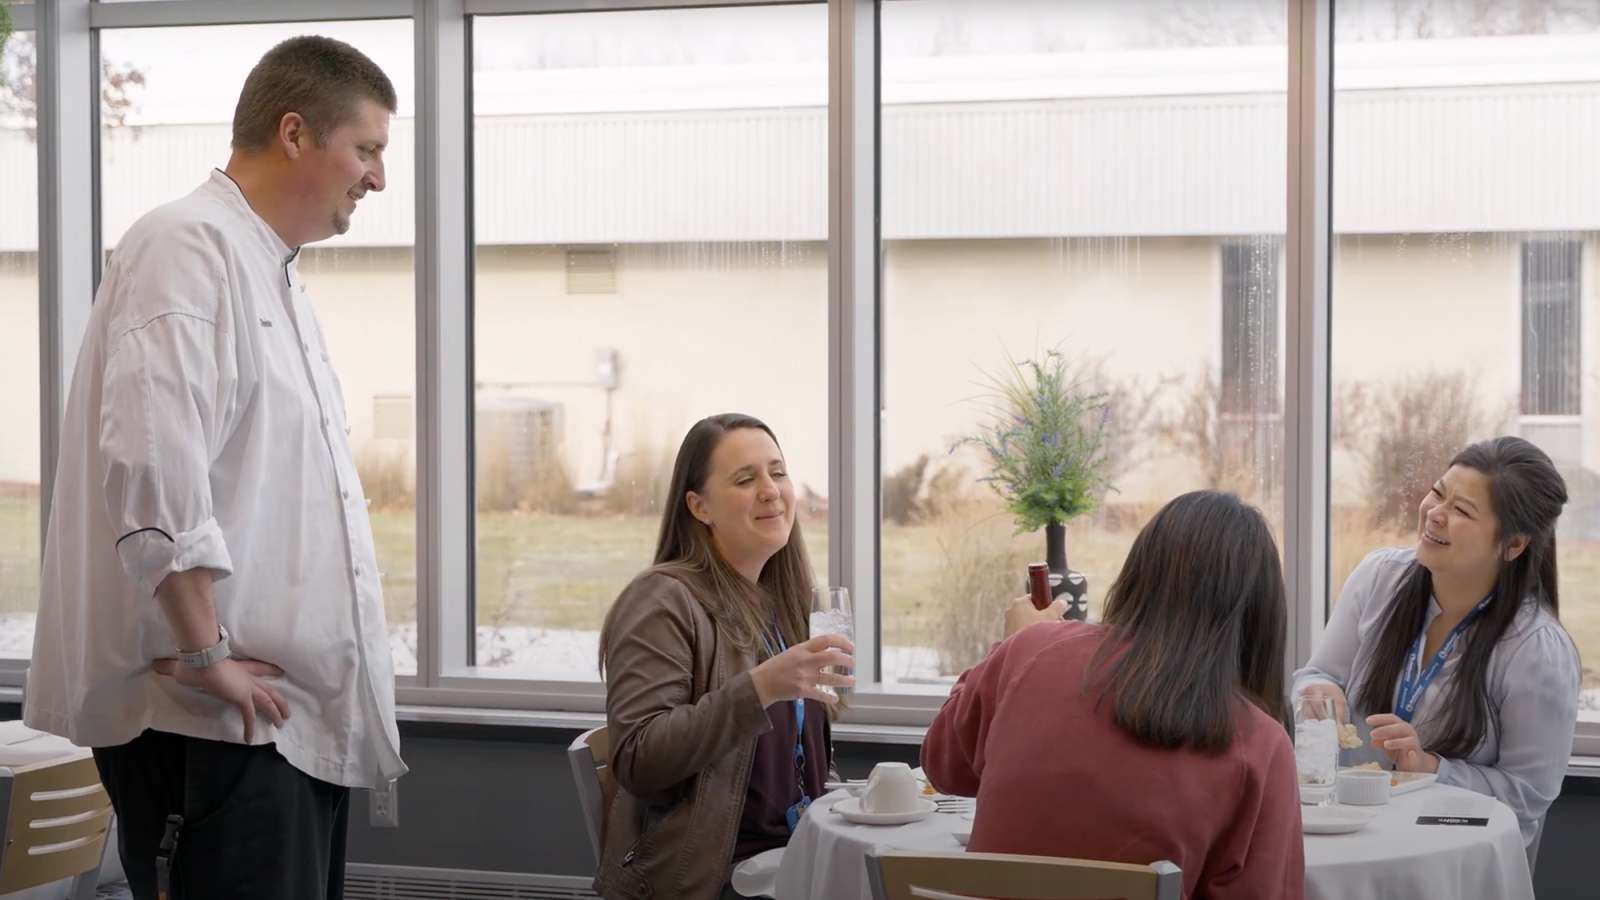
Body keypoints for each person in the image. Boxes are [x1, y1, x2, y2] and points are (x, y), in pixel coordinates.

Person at [23, 36, 405, 900]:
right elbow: (154, 469)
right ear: (297, 133)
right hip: (213, 731)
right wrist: (205, 653)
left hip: (278, 728)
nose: (378, 178)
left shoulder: (269, 271)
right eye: (369, 149)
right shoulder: (184, 245)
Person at [922, 491, 1304, 899]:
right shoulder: (1260, 745)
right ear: (1259, 616)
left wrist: (1007, 649)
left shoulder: (1032, 651)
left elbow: (943, 767)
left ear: (1139, 573)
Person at [595, 414, 854, 900]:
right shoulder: (661, 600)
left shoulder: (779, 604)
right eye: (745, 478)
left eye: (777, 472)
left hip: (788, 860)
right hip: (715, 879)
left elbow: (788, 763)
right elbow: (638, 758)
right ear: (699, 506)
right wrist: (760, 688)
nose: (770, 490)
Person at [1294, 436, 1579, 853]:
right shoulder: (1379, 578)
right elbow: (1317, 675)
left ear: (1513, 545)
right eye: (1437, 493)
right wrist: (1317, 694)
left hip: (1449, 858)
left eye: (1462, 510)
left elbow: (1526, 795)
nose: (1435, 514)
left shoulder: (1536, 649)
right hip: (1349, 833)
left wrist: (1429, 767)